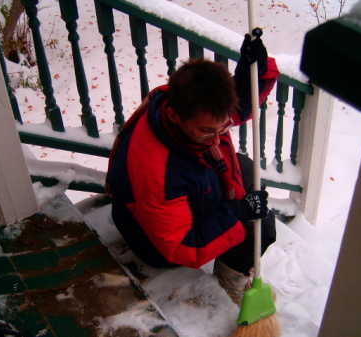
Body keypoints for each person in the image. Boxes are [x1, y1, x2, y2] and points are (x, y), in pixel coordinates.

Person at [106, 30, 280, 305]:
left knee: (247, 171)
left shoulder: (183, 106)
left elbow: (239, 107)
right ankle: (231, 279)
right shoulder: (156, 172)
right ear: (176, 117)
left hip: (175, 200)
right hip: (158, 246)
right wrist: (239, 214)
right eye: (208, 131)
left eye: (222, 127)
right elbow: (179, 246)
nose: (218, 137)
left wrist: (251, 70)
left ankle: (233, 250)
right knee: (260, 224)